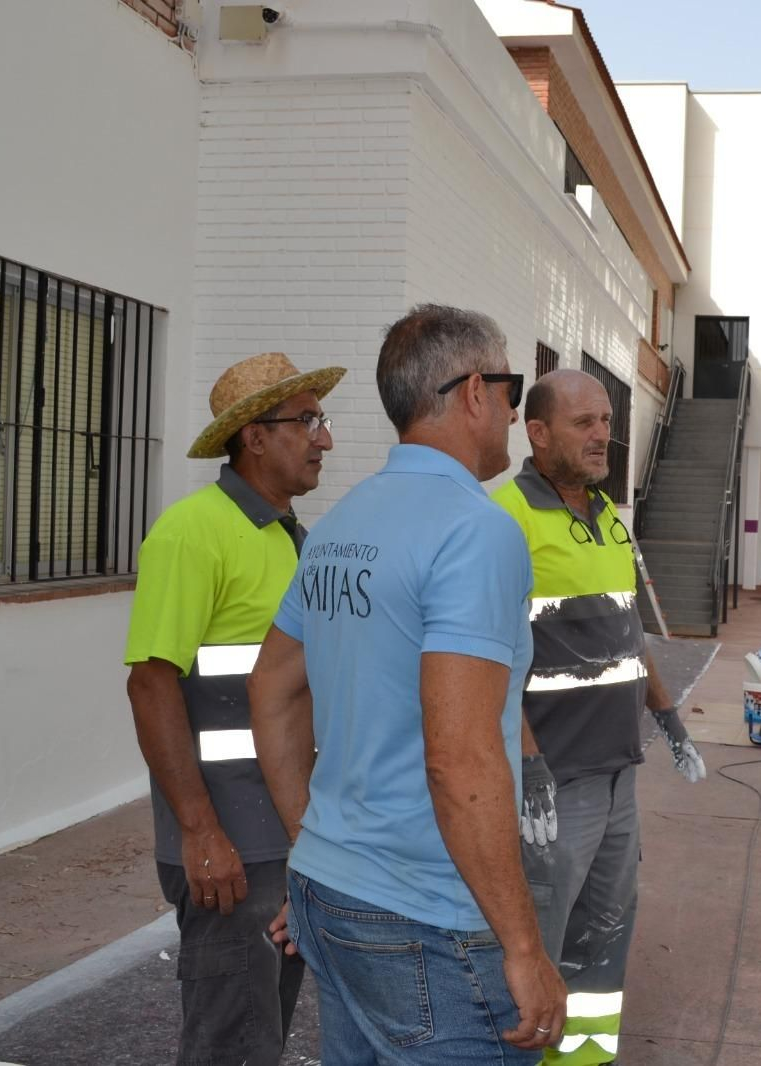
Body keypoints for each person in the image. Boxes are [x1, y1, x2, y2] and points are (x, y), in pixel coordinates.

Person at [248, 304, 566, 1064]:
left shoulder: (339, 525)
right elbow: (459, 759)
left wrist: (315, 848)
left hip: (331, 895)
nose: (516, 410)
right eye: (511, 386)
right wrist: (523, 947)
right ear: (473, 393)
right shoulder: (477, 529)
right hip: (428, 920)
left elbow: (272, 690)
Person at [123, 351, 344, 1066]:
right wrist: (200, 833)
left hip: (283, 835)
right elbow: (151, 683)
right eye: (307, 421)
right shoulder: (194, 532)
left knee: (263, 1032)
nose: (324, 438)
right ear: (254, 435)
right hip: (230, 848)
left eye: (321, 419)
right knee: (230, 1044)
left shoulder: (295, 541)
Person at [491, 368, 707, 1065]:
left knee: (605, 937)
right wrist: (528, 771)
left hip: (618, 780)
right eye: (584, 423)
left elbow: (627, 635)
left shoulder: (611, 519)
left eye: (607, 421)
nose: (602, 435)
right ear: (538, 431)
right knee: (538, 948)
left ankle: (582, 1062)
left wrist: (669, 719)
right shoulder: (505, 523)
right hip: (553, 788)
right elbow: (488, 667)